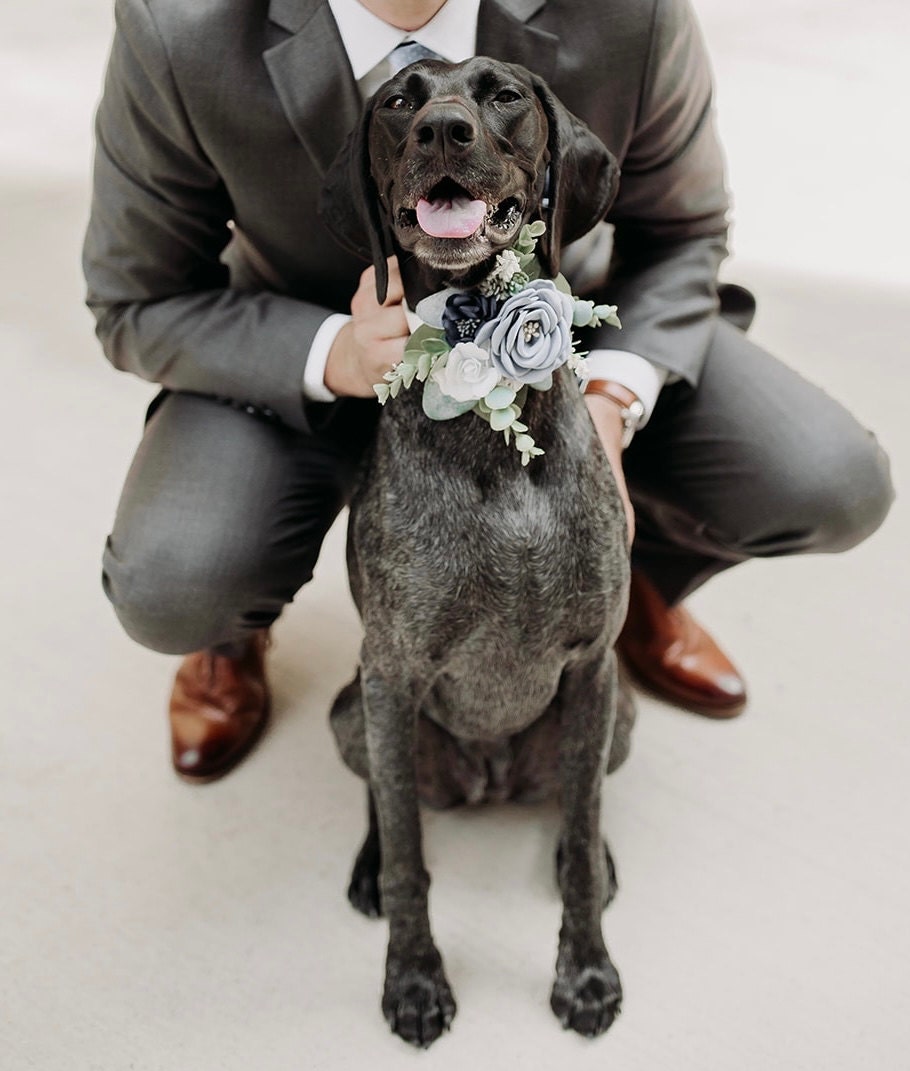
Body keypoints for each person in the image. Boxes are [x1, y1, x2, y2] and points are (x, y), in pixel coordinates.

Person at [83, 0, 893, 783]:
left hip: (557, 360)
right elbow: (137, 301)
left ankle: (624, 587)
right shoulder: (175, 26)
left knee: (830, 479)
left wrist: (606, 409)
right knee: (174, 582)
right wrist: (335, 354)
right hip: (303, 361)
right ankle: (231, 640)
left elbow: (683, 235)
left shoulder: (629, 9)